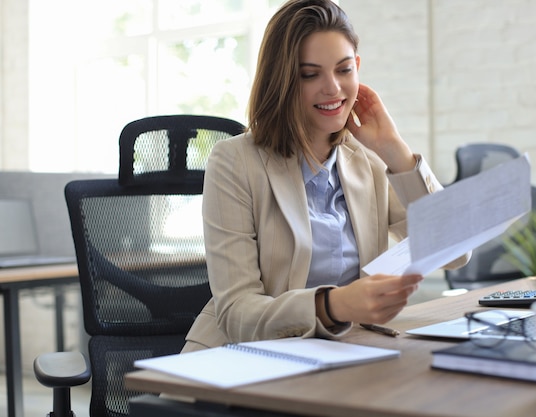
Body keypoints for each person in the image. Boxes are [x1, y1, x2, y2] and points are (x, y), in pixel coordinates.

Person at [183, 0, 470, 351]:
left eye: (344, 69)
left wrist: (396, 150)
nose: (333, 87)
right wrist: (334, 305)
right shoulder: (234, 162)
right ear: (283, 80)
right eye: (310, 74)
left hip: (342, 353)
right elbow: (236, 313)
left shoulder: (367, 160)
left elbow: (457, 252)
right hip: (240, 360)